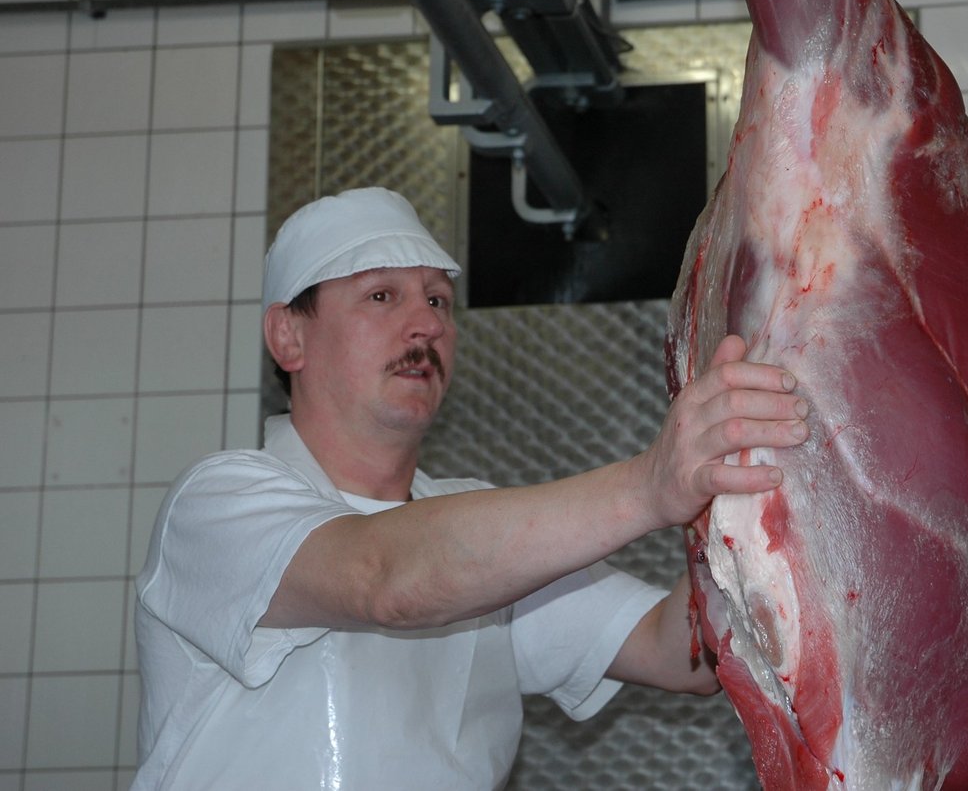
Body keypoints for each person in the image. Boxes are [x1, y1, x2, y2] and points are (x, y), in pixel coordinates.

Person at [132, 187, 809, 789]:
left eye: (437, 301)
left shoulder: (480, 532)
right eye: (381, 296)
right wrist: (650, 487)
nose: (427, 324)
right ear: (288, 336)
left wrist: (739, 480)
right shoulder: (218, 504)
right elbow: (385, 577)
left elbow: (678, 653)